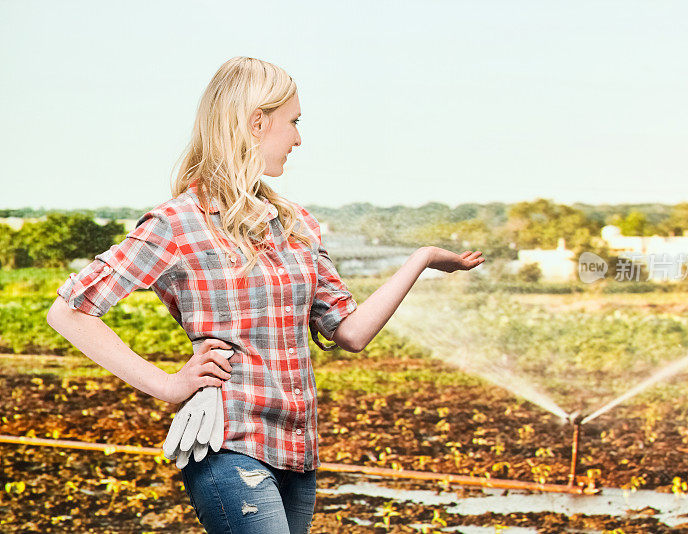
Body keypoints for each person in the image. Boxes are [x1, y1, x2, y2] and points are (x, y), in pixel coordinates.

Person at [46, 56, 484, 534]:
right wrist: (168, 385)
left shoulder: (297, 226)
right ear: (257, 123)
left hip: (298, 450)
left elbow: (351, 332)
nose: (298, 138)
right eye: (293, 122)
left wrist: (419, 261)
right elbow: (69, 311)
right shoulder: (178, 223)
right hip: (229, 445)